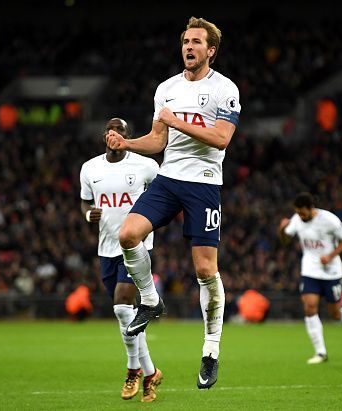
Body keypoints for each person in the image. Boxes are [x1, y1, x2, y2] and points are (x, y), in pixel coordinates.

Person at [106, 16, 241, 389]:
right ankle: (150, 301)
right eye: (185, 41)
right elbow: (157, 140)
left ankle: (211, 352)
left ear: (210, 50)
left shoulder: (224, 89)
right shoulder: (166, 88)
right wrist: (128, 144)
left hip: (204, 183)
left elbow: (221, 139)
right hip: (169, 178)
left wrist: (176, 121)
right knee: (128, 233)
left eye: (196, 42)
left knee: (204, 269)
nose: (189, 47)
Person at [80, 117, 163, 402]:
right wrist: (87, 212)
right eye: (109, 130)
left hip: (137, 245)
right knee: (126, 314)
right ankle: (151, 373)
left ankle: (133, 370)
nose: (113, 134)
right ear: (104, 135)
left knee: (121, 308)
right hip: (106, 248)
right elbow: (85, 200)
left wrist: (152, 217)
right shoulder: (90, 168)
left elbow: (165, 191)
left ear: (127, 136)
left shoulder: (146, 165)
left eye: (120, 131)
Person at [279, 192, 342, 364]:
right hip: (310, 271)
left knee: (335, 314)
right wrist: (282, 228)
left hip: (331, 272)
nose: (300, 216)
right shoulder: (296, 219)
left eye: (302, 212)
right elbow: (285, 240)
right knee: (309, 308)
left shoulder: (329, 220)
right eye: (298, 212)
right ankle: (321, 352)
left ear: (311, 208)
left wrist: (331, 255)